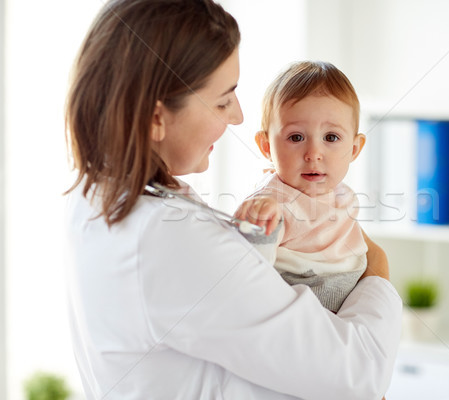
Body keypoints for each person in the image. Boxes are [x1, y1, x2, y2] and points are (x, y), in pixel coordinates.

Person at [64, 0, 402, 399]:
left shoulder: (99, 195)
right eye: (223, 100)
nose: (237, 116)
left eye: (332, 137)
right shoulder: (172, 239)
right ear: (157, 117)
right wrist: (377, 270)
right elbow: (355, 375)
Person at [235, 61, 368, 313]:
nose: (313, 153)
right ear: (266, 147)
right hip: (300, 302)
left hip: (348, 296)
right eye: (296, 137)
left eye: (331, 137)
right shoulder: (272, 203)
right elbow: (248, 277)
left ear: (354, 149)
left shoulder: (342, 194)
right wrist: (256, 228)